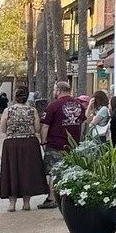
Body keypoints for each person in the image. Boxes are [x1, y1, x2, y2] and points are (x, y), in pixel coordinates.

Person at [37, 79, 89, 208]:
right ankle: (69, 196)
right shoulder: (79, 105)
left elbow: (45, 126)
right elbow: (83, 123)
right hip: (72, 145)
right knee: (70, 171)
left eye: (54, 90)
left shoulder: (53, 106)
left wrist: (43, 142)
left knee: (53, 171)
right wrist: (79, 139)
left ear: (59, 91)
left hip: (55, 144)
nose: (53, 92)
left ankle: (52, 198)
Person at [0, 86, 46, 211]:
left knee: (11, 171)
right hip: (29, 142)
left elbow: (3, 128)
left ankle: (12, 204)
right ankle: (26, 203)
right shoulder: (32, 110)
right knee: (27, 171)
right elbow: (37, 128)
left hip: (12, 143)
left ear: (15, 97)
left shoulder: (8, 110)